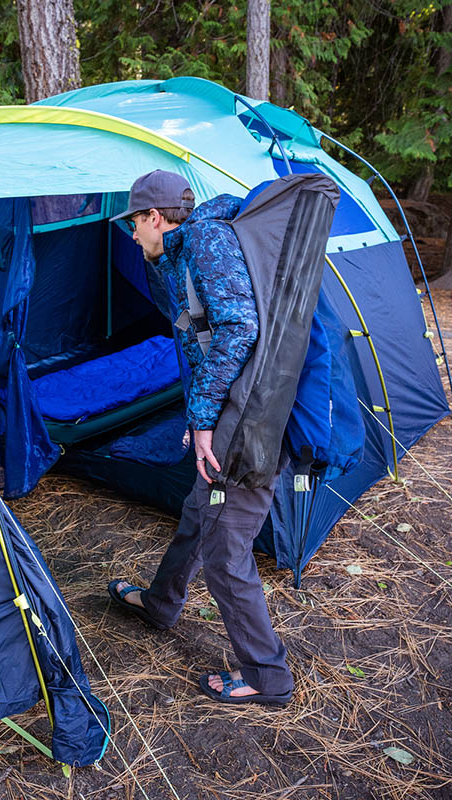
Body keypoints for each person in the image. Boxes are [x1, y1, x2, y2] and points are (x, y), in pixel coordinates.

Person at [107, 169, 294, 706]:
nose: (133, 236)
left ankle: (267, 675)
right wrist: (200, 417)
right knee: (200, 509)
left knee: (225, 550)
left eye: (135, 224)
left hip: (247, 421)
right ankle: (162, 602)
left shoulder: (208, 242)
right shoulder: (185, 251)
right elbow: (205, 336)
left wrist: (207, 418)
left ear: (154, 218)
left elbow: (239, 328)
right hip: (231, 411)